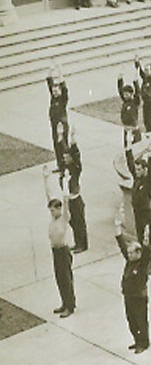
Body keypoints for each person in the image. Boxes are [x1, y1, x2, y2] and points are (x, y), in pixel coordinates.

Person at [116, 222, 151, 354]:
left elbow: (147, 253)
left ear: (138, 253)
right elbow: (122, 247)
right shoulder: (130, 262)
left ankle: (143, 342)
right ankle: (137, 340)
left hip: (139, 296)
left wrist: (146, 242)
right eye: (129, 253)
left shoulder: (141, 265)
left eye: (132, 253)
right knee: (131, 320)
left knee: (140, 320)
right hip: (128, 295)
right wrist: (118, 234)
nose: (129, 255)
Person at [44, 165, 74, 318]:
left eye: (53, 210)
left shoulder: (64, 218)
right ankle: (64, 302)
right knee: (59, 277)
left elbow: (66, 200)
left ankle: (70, 305)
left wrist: (67, 182)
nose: (52, 212)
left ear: (59, 209)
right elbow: (48, 196)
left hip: (63, 250)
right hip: (55, 250)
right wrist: (46, 179)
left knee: (66, 278)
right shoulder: (53, 219)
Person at [125, 147, 151, 263]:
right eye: (136, 169)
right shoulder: (137, 179)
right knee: (140, 237)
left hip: (146, 214)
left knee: (150, 239)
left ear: (144, 170)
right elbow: (130, 165)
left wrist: (150, 155)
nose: (137, 171)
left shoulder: (148, 181)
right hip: (137, 214)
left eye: (139, 169)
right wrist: (128, 149)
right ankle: (143, 260)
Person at [61, 136, 87, 253]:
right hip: (69, 200)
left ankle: (83, 244)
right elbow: (64, 149)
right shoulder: (66, 168)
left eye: (67, 157)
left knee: (79, 223)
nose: (65, 159)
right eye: (64, 157)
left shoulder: (76, 168)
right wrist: (61, 138)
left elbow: (76, 155)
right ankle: (78, 242)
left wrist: (73, 142)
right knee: (73, 222)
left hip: (76, 200)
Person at [135, 55, 151, 133]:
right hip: (145, 104)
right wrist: (137, 62)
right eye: (145, 70)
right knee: (147, 122)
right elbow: (140, 72)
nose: (146, 72)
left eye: (147, 70)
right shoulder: (145, 80)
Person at [118, 73, 142, 146]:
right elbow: (120, 91)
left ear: (131, 94)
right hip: (126, 129)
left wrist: (135, 82)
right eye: (124, 94)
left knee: (135, 147)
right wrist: (120, 80)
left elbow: (138, 93)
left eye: (127, 94)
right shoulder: (125, 102)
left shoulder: (135, 102)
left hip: (133, 130)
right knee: (127, 147)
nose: (125, 96)